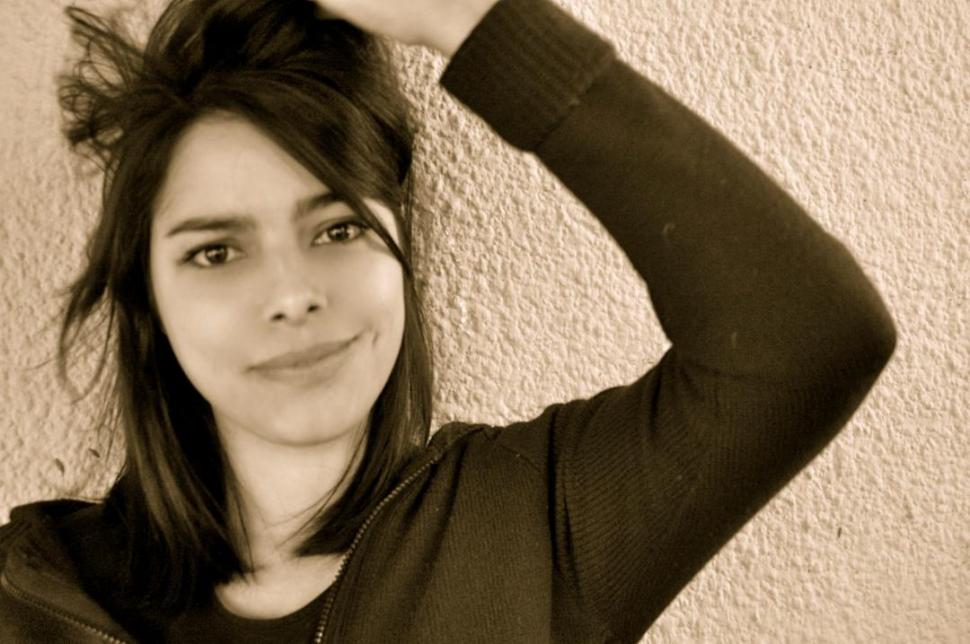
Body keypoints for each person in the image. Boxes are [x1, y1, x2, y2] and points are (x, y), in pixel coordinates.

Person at [0, 0, 897, 641]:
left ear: (404, 252)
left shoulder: (535, 529)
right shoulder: (35, 591)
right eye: (216, 251)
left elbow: (811, 332)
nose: (292, 294)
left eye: (338, 228)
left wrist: (474, 21)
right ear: (147, 297)